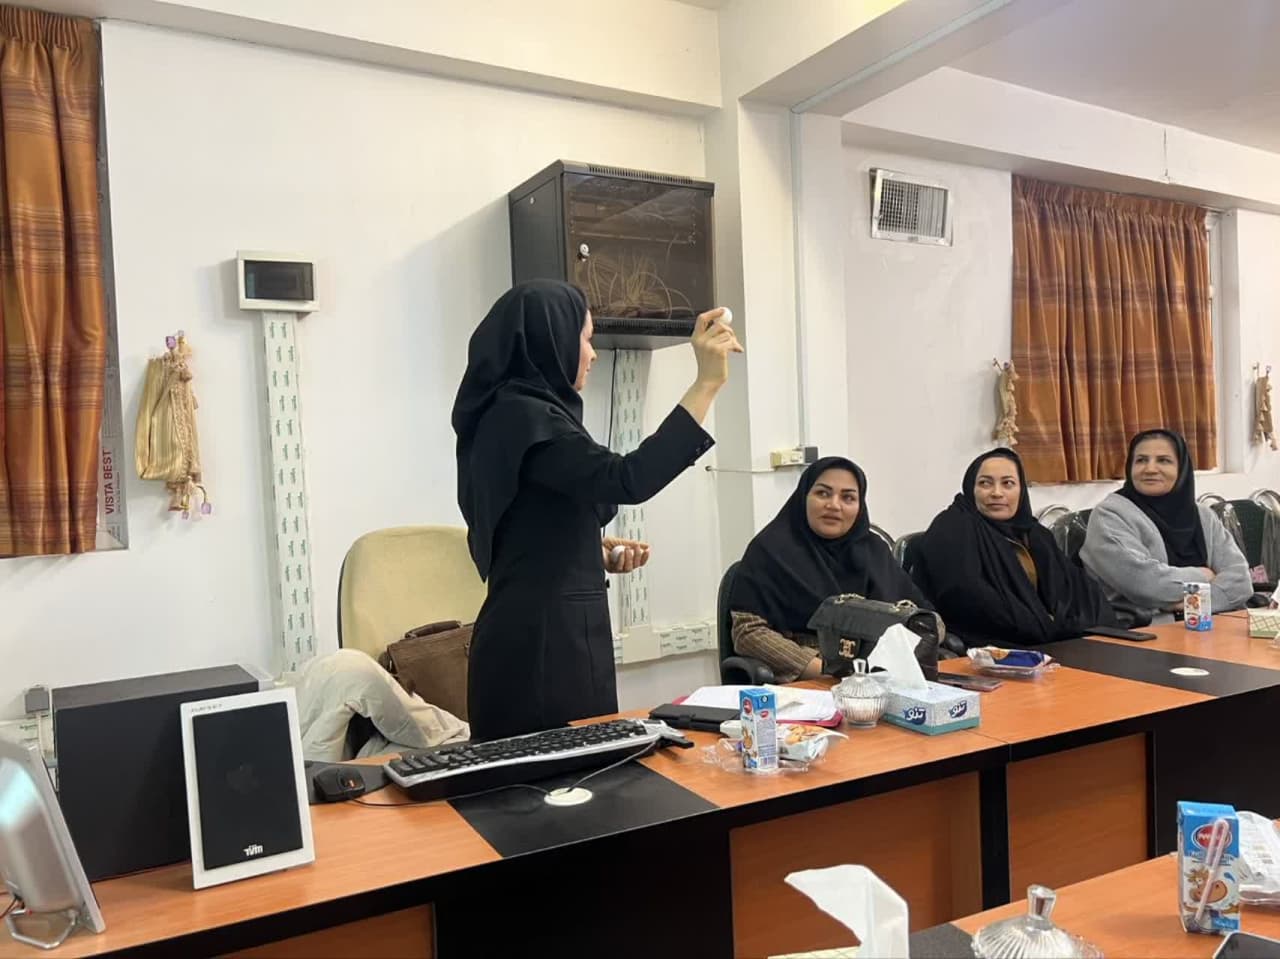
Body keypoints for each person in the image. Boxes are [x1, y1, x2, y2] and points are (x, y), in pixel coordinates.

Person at [452, 280, 741, 740]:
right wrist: (706, 382)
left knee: (581, 771)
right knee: (562, 776)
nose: (592, 354)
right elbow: (628, 478)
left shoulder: (515, 414)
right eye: (585, 339)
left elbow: (525, 522)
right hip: (542, 653)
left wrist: (589, 549)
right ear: (551, 340)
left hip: (546, 641)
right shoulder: (522, 417)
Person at [727, 457, 927, 683]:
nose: (834, 505)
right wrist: (828, 670)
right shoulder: (771, 550)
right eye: (823, 493)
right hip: (811, 680)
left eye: (848, 497)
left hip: (885, 677)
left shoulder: (875, 551)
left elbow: (926, 617)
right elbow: (749, 634)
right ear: (804, 497)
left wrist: (905, 652)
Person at [912, 448, 1116, 647]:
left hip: (1050, 639)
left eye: (1008, 483)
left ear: (1021, 491)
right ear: (971, 488)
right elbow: (969, 597)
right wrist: (1044, 628)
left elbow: (1075, 587)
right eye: (985, 483)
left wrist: (1070, 625)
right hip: (990, 646)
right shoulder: (952, 528)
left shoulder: (1035, 534)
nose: (996, 493)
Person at [1081, 429, 1254, 622]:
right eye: (1141, 460)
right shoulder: (1110, 516)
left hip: (1211, 625)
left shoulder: (1203, 516)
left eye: (1163, 460)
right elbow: (1146, 584)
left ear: (1182, 469)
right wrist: (1203, 575)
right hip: (1142, 630)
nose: (1150, 469)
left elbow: (1241, 581)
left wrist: (1189, 605)